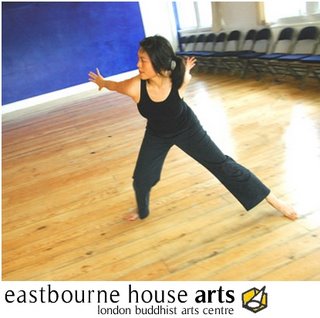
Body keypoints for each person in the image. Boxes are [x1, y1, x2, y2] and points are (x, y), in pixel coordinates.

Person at [88, 35, 298, 222]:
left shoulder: (180, 80)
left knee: (223, 164)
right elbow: (114, 86)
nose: (138, 65)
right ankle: (142, 211)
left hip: (187, 129)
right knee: (141, 178)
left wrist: (186, 69)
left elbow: (180, 70)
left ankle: (274, 200)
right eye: (139, 59)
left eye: (142, 60)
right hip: (157, 133)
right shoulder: (134, 86)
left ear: (159, 62)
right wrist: (102, 82)